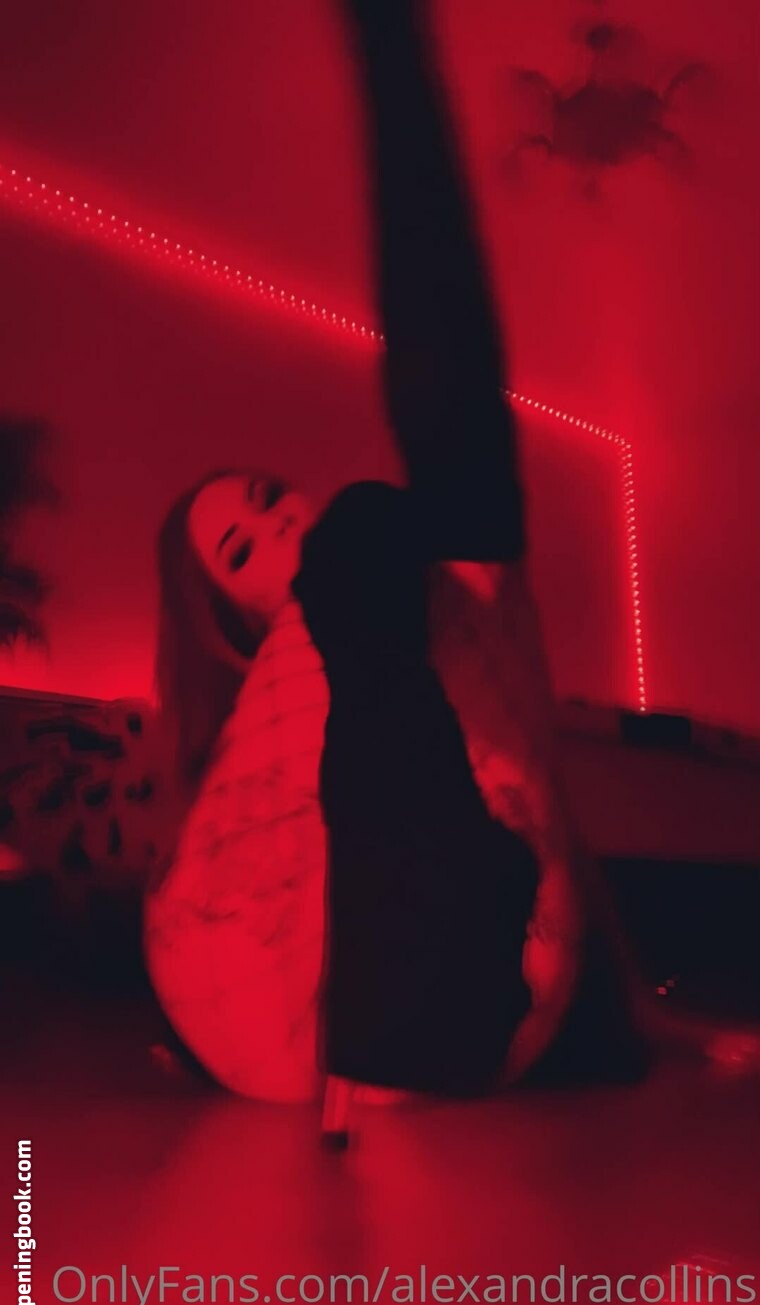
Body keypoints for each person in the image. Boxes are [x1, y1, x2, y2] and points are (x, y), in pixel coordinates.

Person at [145, 0, 641, 1110]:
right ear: (237, 619)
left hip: (469, 982)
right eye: (242, 549)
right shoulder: (262, 726)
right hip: (284, 1005)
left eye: (268, 500)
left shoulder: (427, 580)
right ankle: (392, 55)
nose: (276, 525)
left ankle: (394, 61)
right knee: (385, 521)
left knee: (399, 514)